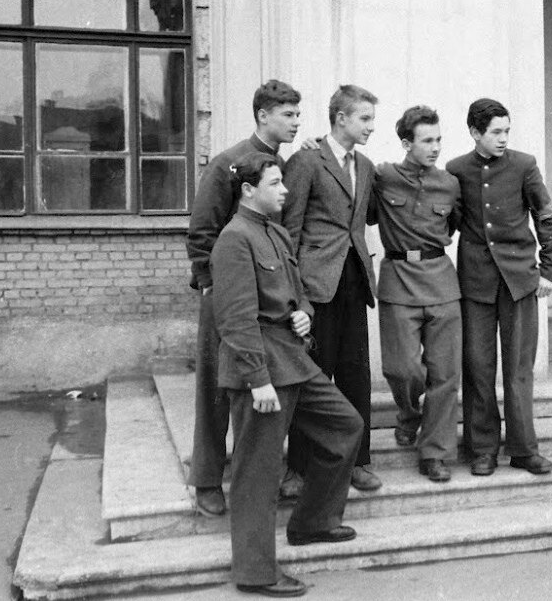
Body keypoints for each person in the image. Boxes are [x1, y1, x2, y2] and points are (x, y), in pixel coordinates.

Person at [212, 152, 363, 598]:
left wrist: (303, 313)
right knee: (257, 472)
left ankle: (313, 522)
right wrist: (256, 380)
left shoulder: (274, 232)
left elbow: (297, 294)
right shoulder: (234, 239)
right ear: (248, 191)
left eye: (283, 182)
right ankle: (256, 572)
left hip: (293, 358)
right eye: (275, 183)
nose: (285, 190)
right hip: (261, 367)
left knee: (346, 426)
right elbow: (235, 320)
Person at [184, 79, 303, 517]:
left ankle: (268, 472)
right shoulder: (228, 165)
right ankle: (208, 478)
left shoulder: (280, 166)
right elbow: (201, 232)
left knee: (271, 385)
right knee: (218, 386)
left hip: (270, 299)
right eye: (287, 114)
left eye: (297, 114)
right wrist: (213, 288)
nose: (295, 122)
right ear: (263, 116)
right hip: (228, 296)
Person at [445, 98, 552, 477]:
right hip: (475, 282)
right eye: (495, 131)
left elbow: (547, 217)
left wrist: (548, 271)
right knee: (478, 367)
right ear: (475, 132)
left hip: (519, 281)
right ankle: (482, 449)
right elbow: (453, 221)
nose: (503, 138)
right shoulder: (456, 169)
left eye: (506, 131)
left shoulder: (524, 165)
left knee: (518, 369)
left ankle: (524, 450)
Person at [280, 84, 382, 495]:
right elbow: (289, 229)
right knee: (314, 378)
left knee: (356, 375)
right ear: (341, 118)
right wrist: (294, 294)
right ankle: (300, 468)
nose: (371, 127)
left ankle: (359, 461)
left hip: (355, 281)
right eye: (365, 119)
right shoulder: (306, 161)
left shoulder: (368, 166)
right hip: (316, 287)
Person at [372, 106, 462, 482]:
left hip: (441, 281)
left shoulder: (449, 184)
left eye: (439, 139)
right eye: (427, 141)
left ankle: (435, 453)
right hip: (397, 281)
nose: (436, 147)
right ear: (407, 143)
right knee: (402, 368)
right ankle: (409, 413)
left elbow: (455, 225)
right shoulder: (382, 177)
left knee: (445, 374)